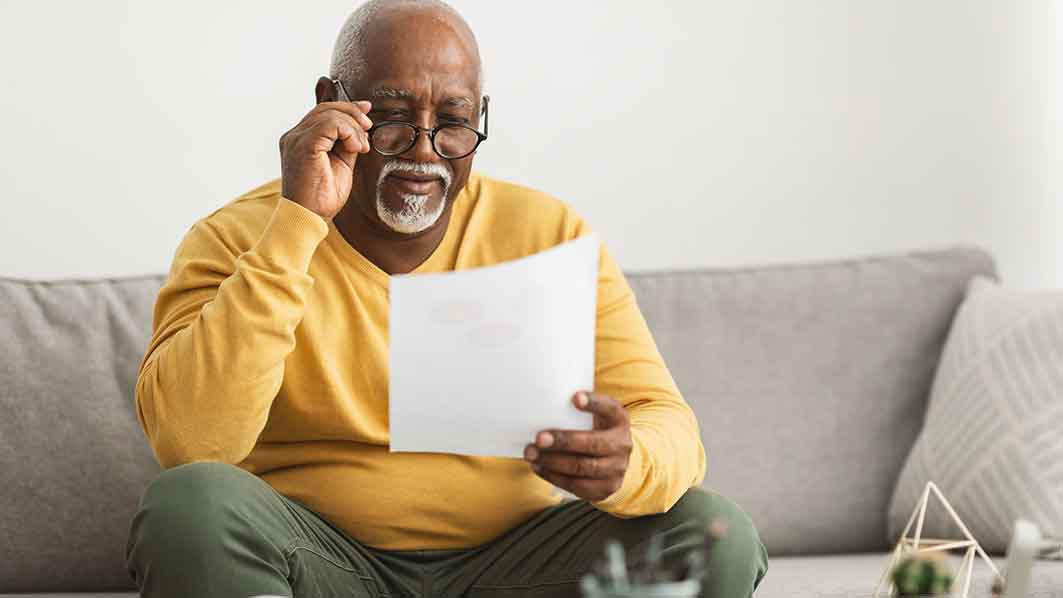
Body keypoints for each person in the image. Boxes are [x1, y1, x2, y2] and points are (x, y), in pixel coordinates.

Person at [124, 1, 768, 596]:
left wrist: (628, 462)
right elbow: (192, 444)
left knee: (715, 532)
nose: (425, 152)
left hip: (518, 564)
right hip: (321, 563)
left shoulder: (549, 233)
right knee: (190, 506)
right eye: (395, 118)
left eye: (454, 123)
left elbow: (670, 423)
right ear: (331, 104)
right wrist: (298, 224)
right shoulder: (236, 236)